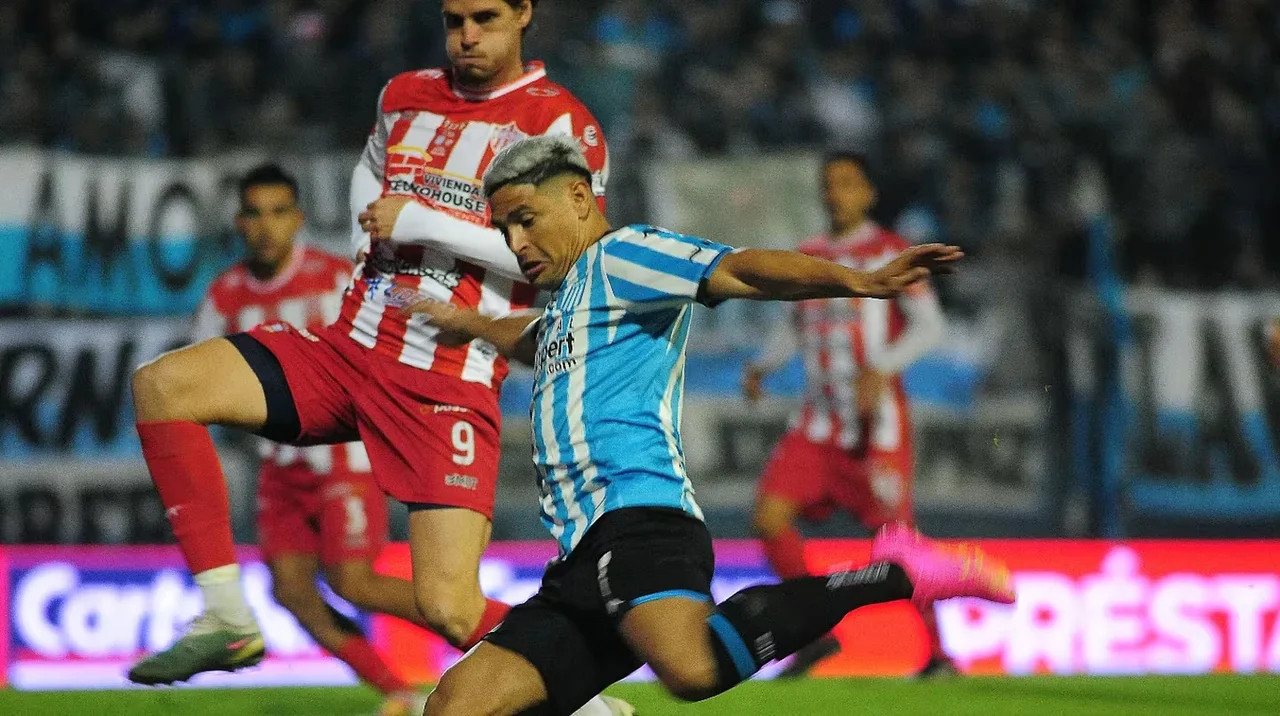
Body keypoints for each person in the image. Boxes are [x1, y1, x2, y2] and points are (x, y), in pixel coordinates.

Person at [391, 135, 1014, 716]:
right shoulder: (570, 303)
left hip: (639, 521)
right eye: (505, 229)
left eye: (527, 219)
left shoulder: (625, 255)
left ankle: (896, 572)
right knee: (457, 705)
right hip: (578, 557)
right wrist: (468, 324)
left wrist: (862, 281)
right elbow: (530, 339)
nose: (516, 242)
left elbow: (739, 269)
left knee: (691, 670)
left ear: (580, 198)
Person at [127, 4, 631, 713]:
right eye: (454, 18)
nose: (467, 35)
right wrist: (372, 237)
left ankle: (587, 696)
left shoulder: (558, 123)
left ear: (524, 13)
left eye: (485, 17)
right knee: (163, 386)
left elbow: (569, 254)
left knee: (450, 607)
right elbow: (373, 173)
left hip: (443, 380)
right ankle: (226, 617)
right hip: (347, 350)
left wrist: (420, 222)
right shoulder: (403, 95)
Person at [141, 164, 424, 713]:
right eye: (254, 213)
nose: (266, 226)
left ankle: (504, 634)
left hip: (344, 459)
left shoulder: (335, 277)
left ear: (297, 218)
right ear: (238, 222)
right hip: (280, 470)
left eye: (277, 212)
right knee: (291, 593)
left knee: (355, 581)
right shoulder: (223, 297)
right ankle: (400, 693)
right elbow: (194, 384)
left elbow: (386, 350)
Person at [741, 152, 951, 677]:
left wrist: (881, 368)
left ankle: (940, 655)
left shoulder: (892, 253)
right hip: (816, 424)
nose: (836, 193)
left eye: (847, 183)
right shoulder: (809, 255)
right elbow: (795, 326)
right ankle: (813, 635)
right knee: (769, 517)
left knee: (898, 546)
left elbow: (930, 328)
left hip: (874, 430)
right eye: (829, 184)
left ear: (868, 193)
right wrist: (764, 366)